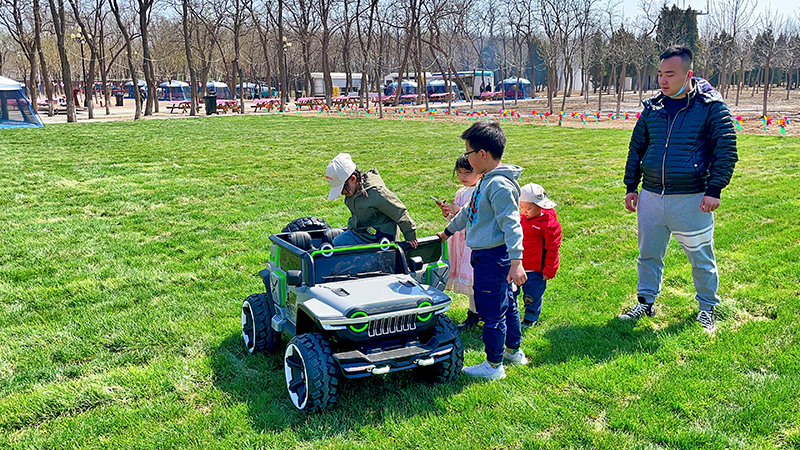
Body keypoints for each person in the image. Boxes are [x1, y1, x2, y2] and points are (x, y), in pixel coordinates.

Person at [621, 45, 738, 333]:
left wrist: (715, 189)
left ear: (689, 74)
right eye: (660, 73)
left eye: (669, 74)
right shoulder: (652, 108)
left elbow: (726, 150)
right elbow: (637, 148)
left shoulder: (711, 107)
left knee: (700, 256)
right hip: (651, 197)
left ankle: (707, 307)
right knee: (648, 255)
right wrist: (631, 186)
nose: (662, 80)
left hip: (692, 198)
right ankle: (645, 302)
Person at [436, 121, 527, 380]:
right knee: (506, 302)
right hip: (490, 256)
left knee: (491, 309)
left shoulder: (498, 186)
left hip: (493, 258)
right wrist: (448, 232)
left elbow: (512, 224)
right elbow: (468, 212)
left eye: (468, 153)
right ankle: (513, 351)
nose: (466, 158)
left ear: (482, 154)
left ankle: (493, 365)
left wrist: (516, 261)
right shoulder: (486, 182)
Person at [326, 153, 418, 248]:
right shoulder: (352, 192)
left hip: (379, 238)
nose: (341, 193)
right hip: (361, 233)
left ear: (353, 179)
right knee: (337, 244)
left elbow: (399, 211)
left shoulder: (376, 193)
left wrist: (410, 235)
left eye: (342, 188)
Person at [437, 155, 482, 330]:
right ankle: (473, 314)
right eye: (460, 172)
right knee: (471, 283)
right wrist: (448, 213)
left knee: (474, 278)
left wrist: (459, 210)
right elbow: (455, 218)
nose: (463, 176)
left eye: (467, 172)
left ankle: (480, 315)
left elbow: (474, 215)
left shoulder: (480, 191)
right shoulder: (460, 193)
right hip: (460, 242)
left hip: (471, 243)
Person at [518, 183, 562, 328]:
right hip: (518, 265)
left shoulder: (549, 225)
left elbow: (552, 248)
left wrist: (549, 269)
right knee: (511, 291)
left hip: (536, 269)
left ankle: (531, 316)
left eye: (528, 208)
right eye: (522, 207)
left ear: (540, 206)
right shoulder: (521, 219)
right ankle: (510, 314)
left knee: (532, 294)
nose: (524, 211)